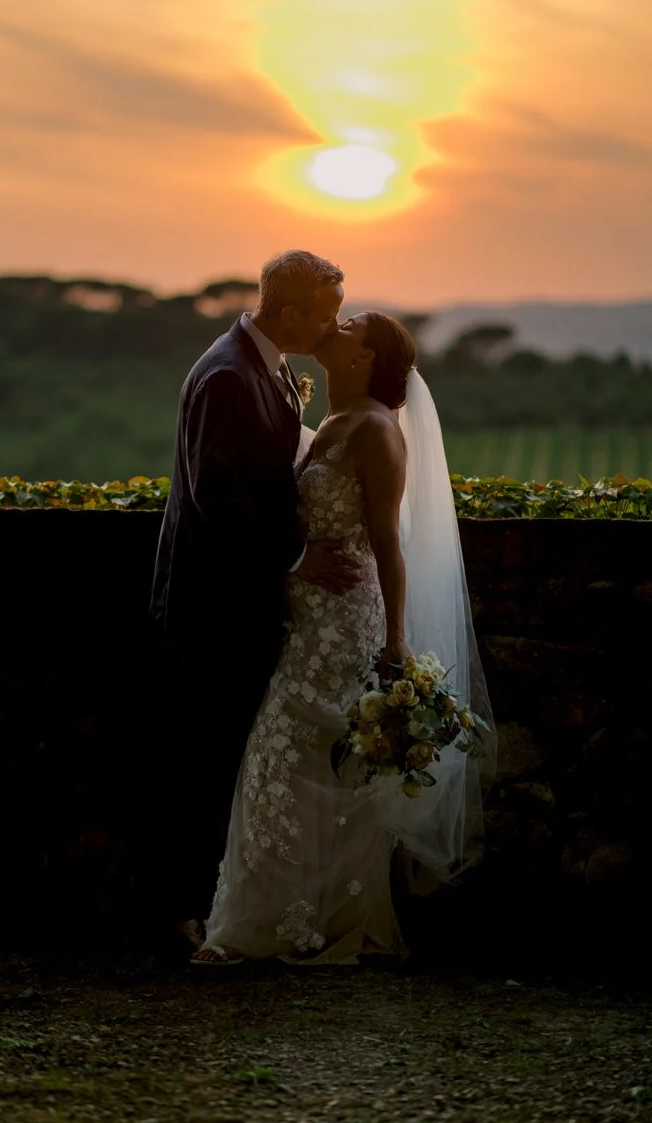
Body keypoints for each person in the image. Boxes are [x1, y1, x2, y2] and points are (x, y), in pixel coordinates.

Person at [192, 312, 496, 966]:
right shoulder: (328, 421)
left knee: (303, 762)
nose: (339, 320)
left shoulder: (380, 431)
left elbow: (390, 543)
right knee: (286, 764)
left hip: (345, 623)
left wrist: (395, 639)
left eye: (353, 322)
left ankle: (281, 927)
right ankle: (275, 921)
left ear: (367, 358)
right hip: (302, 621)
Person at [148, 250, 361, 953]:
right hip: (214, 605)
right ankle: (178, 913)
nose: (332, 326)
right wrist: (297, 558)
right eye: (325, 313)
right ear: (290, 311)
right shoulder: (227, 374)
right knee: (201, 756)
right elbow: (217, 496)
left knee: (227, 753)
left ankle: (210, 903)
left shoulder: (261, 365)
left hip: (242, 599)